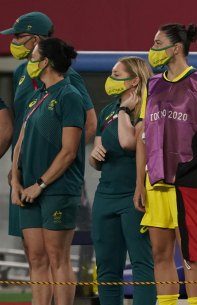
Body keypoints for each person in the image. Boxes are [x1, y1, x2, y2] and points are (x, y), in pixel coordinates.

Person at [0, 15, 97, 295]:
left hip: (55, 179)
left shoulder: (68, 81)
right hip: (23, 175)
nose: (14, 42)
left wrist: (61, 162)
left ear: (37, 40)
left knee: (57, 255)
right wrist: (16, 169)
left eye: (18, 37)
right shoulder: (22, 75)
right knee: (34, 254)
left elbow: (88, 124)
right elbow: (19, 128)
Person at [133, 23, 197, 305]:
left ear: (176, 48)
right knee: (160, 253)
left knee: (192, 255)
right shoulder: (152, 85)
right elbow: (145, 137)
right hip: (155, 181)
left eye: (158, 44)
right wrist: (139, 185)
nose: (153, 49)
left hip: (187, 183)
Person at [89, 56, 156, 305]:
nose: (111, 79)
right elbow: (96, 157)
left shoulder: (148, 108)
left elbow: (128, 143)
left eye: (117, 75)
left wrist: (125, 110)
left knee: (141, 266)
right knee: (106, 269)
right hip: (106, 195)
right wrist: (94, 157)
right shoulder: (107, 110)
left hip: (135, 195)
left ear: (134, 80)